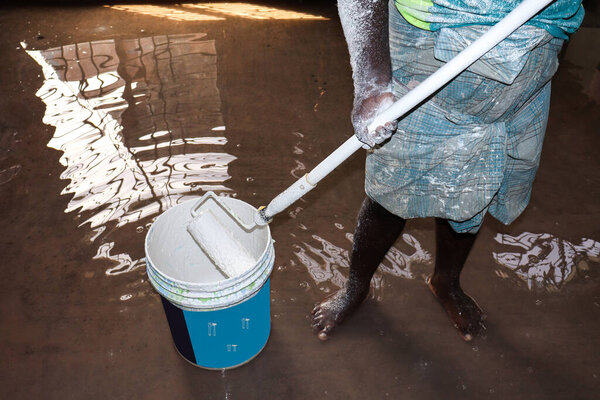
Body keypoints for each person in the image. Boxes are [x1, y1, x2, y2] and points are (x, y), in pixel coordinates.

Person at [310, 0, 584, 341]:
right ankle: (356, 286)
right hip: (431, 44)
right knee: (391, 191)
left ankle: (446, 282)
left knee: (479, 182)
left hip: (537, 49)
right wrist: (372, 82)